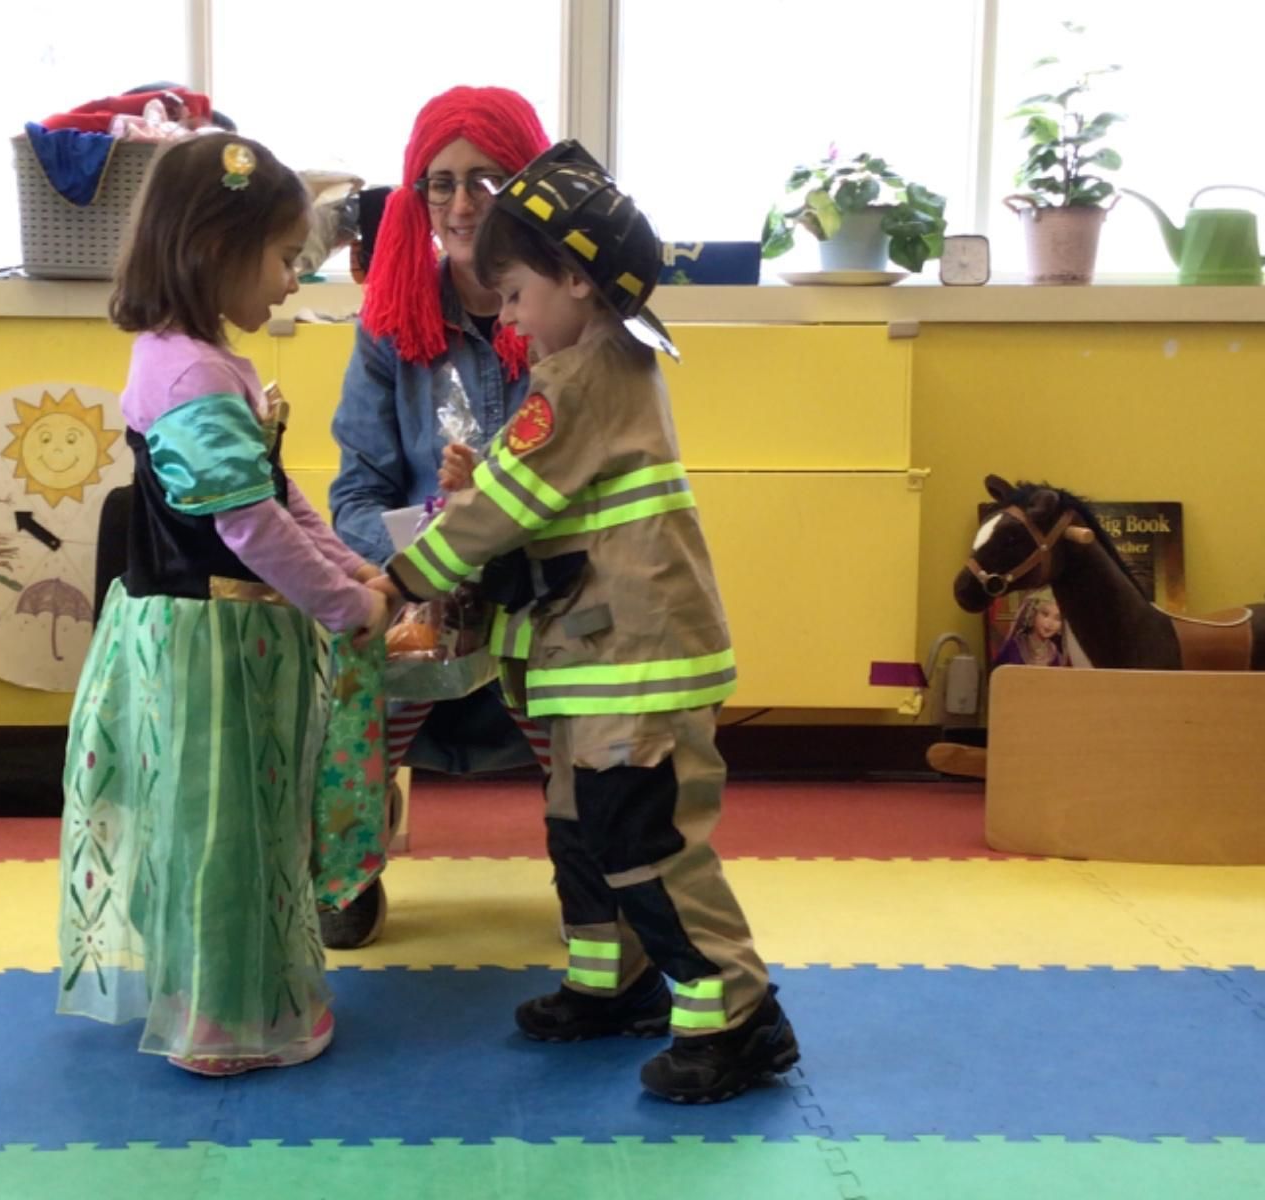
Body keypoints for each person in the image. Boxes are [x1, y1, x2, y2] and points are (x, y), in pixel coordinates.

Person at [372, 141, 801, 1104]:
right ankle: (615, 981)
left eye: (518, 293)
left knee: (644, 834)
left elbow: (502, 512)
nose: (511, 317)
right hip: (592, 658)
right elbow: (537, 498)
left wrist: (401, 580)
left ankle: (737, 1016)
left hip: (632, 661)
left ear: (574, 277)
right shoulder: (595, 368)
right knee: (580, 823)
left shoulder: (583, 375)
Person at [55, 132, 389, 1078]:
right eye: (285, 259)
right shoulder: (197, 374)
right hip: (213, 642)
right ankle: (223, 1018)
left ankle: (203, 991)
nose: (291, 284)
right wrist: (343, 605)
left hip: (217, 632)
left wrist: (348, 570)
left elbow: (279, 497)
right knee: (225, 827)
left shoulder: (198, 359)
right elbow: (249, 528)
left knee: (227, 817)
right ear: (213, 249)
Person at [324, 86, 554, 949]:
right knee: (363, 663)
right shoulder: (391, 322)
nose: (462, 205)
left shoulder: (569, 308)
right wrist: (413, 562)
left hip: (542, 578)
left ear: (528, 186)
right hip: (424, 581)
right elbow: (356, 490)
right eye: (441, 183)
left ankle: (593, 860)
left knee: (575, 685)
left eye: (488, 180)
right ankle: (349, 854)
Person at [994, 588, 1069, 667]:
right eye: (1045, 614)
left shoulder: (1056, 655)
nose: (1050, 623)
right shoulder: (1014, 648)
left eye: (1057, 618)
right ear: (1033, 614)